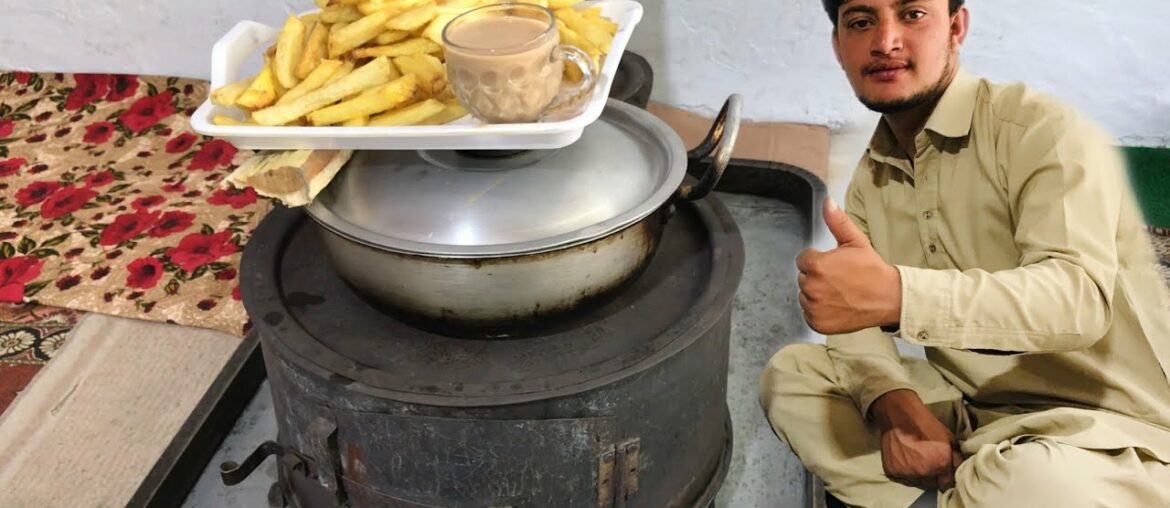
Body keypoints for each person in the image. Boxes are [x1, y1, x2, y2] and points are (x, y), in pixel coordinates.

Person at [758, 0, 1170, 506]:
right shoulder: (872, 179)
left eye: (912, 14)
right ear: (839, 47)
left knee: (1026, 480)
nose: (885, 42)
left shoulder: (1040, 129)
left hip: (1113, 429)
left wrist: (900, 297)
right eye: (861, 22)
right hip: (978, 412)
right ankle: (963, 488)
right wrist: (895, 407)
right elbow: (856, 327)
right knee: (793, 377)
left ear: (955, 27)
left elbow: (1077, 298)